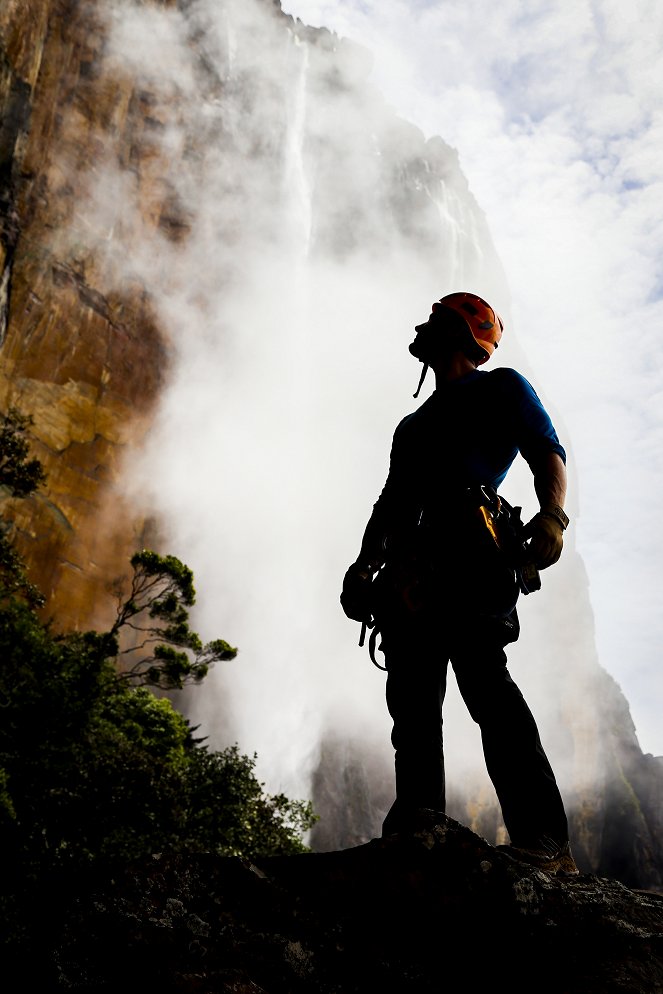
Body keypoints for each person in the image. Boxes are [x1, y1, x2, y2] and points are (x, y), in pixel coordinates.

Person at [340, 291, 578, 876]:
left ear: (461, 333)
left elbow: (547, 452)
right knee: (414, 703)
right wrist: (364, 565)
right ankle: (418, 829)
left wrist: (554, 516)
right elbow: (392, 503)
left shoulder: (503, 388)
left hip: (473, 558)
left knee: (487, 691)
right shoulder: (411, 428)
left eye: (436, 321)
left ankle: (545, 841)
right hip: (415, 573)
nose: (424, 329)